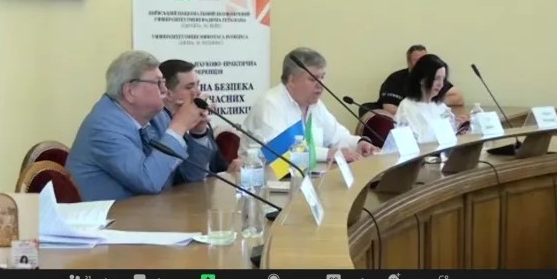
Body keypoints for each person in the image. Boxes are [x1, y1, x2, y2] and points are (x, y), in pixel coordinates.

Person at [67, 51, 215, 201]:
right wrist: (179, 126)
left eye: (163, 82)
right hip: (112, 214)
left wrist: (198, 132)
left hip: (152, 209)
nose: (165, 89)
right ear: (130, 92)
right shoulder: (103, 128)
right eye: (158, 83)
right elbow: (148, 181)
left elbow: (191, 176)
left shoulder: (158, 116)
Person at [240, 47, 380, 162]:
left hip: (307, 179)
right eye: (313, 79)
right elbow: (281, 154)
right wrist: (328, 154)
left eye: (322, 77)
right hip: (263, 181)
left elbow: (337, 136)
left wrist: (359, 144)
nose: (320, 84)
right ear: (292, 80)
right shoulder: (270, 104)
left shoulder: (315, 105)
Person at [159, 59, 243, 175]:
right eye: (189, 87)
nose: (197, 92)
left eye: (198, 85)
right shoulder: (161, 128)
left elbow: (217, 167)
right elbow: (182, 178)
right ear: (168, 94)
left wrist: (230, 171)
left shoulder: (201, 121)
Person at [394, 54, 468, 143]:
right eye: (436, 78)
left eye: (443, 79)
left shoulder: (440, 106)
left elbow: (450, 135)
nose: (441, 84)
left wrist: (459, 126)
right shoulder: (407, 106)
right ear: (421, 79)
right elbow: (408, 142)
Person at [377, 45, 465, 115]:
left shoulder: (439, 105)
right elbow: (390, 109)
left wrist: (430, 103)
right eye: (418, 61)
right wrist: (420, 108)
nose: (440, 84)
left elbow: (458, 97)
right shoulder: (396, 81)